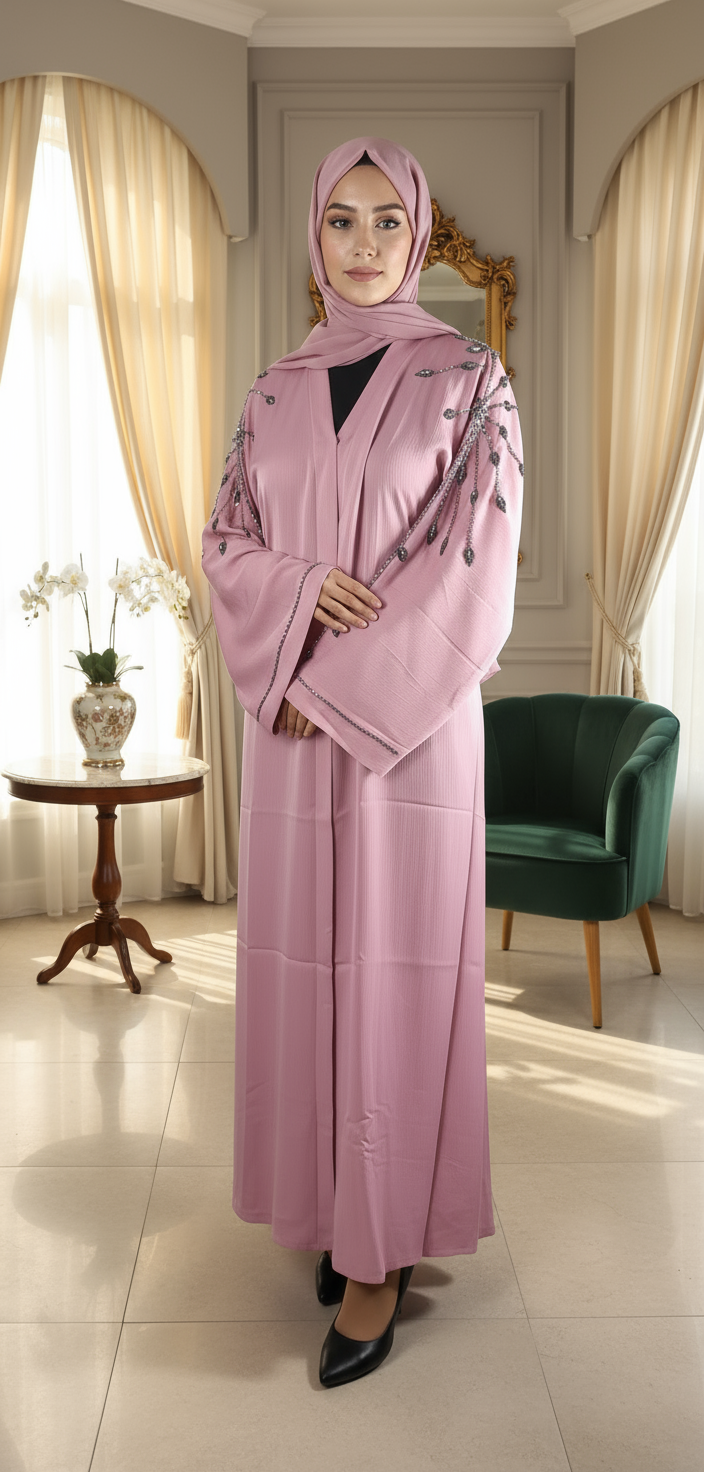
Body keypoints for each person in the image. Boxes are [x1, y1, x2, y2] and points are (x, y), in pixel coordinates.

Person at [202, 136, 523, 1388]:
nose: (365, 244)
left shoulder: (470, 380)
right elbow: (228, 538)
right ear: (314, 234)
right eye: (341, 220)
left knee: (390, 974)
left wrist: (321, 686)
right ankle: (339, 1201)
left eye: (389, 222)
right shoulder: (272, 392)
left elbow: (472, 572)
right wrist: (283, 634)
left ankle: (381, 1252)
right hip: (290, 734)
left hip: (403, 734)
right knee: (310, 967)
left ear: (422, 232)